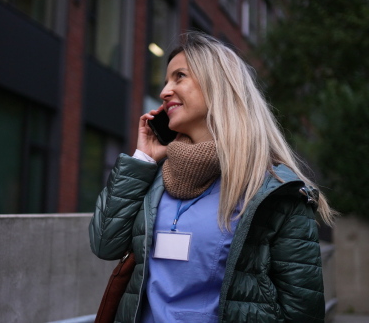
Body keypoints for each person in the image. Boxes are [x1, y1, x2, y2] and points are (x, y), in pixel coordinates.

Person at [89, 31, 335, 323]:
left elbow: (303, 312)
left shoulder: (276, 191)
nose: (165, 91)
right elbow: (105, 244)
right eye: (166, 80)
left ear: (218, 86)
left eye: (179, 77)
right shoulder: (152, 175)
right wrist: (141, 159)